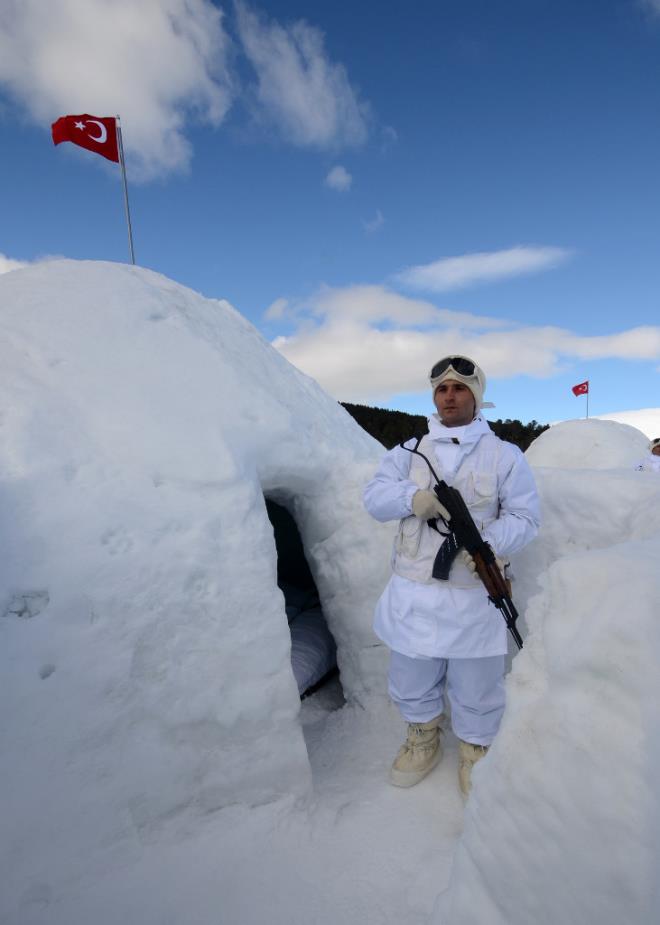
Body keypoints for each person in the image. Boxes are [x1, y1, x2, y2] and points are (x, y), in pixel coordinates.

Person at [363, 355, 540, 796]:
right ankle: (422, 736)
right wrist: (411, 497)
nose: (449, 396)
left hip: (472, 594)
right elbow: (374, 498)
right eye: (442, 389)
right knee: (411, 672)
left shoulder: (504, 455)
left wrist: (486, 543)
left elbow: (526, 517)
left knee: (477, 683)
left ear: (476, 396)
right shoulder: (408, 452)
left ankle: (476, 746)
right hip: (414, 592)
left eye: (459, 388)